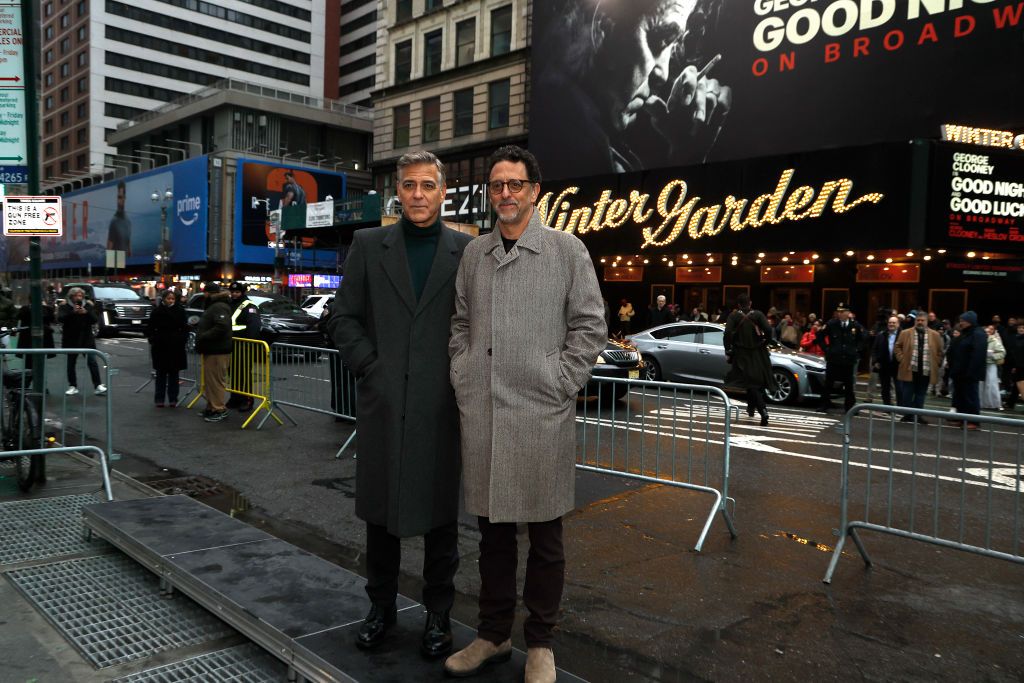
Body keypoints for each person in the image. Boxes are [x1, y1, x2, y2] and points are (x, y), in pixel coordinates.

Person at [445, 145, 606, 683]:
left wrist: (561, 383)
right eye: (497, 185)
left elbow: (589, 328)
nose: (506, 194)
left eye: (515, 184)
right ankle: (492, 635)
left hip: (542, 415)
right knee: (491, 537)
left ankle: (541, 644)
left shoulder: (566, 251)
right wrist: (466, 378)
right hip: (487, 414)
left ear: (535, 191)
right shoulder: (475, 254)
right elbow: (461, 325)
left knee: (545, 538)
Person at [329, 150, 472, 659]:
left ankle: (438, 615)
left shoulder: (465, 250)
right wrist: (372, 368)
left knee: (440, 521)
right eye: (409, 185)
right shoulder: (369, 245)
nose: (417, 194)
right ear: (397, 190)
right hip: (384, 406)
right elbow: (343, 318)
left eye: (427, 185)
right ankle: (381, 608)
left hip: (440, 409)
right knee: (380, 517)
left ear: (443, 190)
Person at [531, 0, 732, 178]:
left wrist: (687, 158)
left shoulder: (602, 146)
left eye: (672, 48)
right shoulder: (569, 142)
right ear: (603, 27)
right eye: (659, 40)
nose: (663, 72)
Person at [723, 294, 776, 426]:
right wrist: (765, 342)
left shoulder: (734, 316)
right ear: (750, 303)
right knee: (754, 381)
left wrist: (728, 349)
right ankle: (751, 408)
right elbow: (769, 329)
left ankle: (762, 410)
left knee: (751, 383)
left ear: (738, 305)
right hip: (758, 353)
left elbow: (727, 332)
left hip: (741, 354)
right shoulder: (757, 314)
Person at [894, 312, 942, 422]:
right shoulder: (905, 333)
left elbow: (940, 351)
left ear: (927, 321)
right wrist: (902, 359)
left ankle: (918, 415)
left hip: (925, 370)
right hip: (909, 369)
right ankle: (908, 414)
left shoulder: (935, 334)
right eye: (918, 320)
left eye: (922, 320)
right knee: (907, 394)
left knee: (920, 395)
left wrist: (936, 362)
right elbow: (897, 347)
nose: (920, 322)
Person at [195, 283, 233, 422]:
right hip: (213, 349)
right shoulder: (216, 305)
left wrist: (204, 335)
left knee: (216, 381)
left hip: (218, 349)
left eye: (205, 292)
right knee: (211, 381)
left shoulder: (218, 306)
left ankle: (219, 409)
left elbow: (222, 326)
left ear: (208, 293)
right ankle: (212, 407)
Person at [816, 303, 864, 413]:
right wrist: (827, 349)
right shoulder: (832, 324)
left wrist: (856, 350)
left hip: (848, 360)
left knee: (848, 385)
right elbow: (820, 336)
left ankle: (850, 407)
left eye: (843, 311)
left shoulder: (854, 325)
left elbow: (863, 338)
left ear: (848, 313)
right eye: (839, 311)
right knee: (828, 383)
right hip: (834, 358)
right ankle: (824, 404)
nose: (840, 313)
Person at [58, 287, 106, 396]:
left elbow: (94, 320)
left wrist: (86, 312)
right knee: (71, 363)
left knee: (92, 362)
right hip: (71, 338)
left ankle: (98, 385)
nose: (78, 298)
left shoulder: (88, 305)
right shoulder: (65, 306)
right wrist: (73, 312)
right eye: (76, 296)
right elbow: (60, 318)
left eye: (80, 296)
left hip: (86, 338)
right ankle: (73, 385)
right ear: (71, 297)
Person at [146, 290, 188, 408]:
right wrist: (153, 339)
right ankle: (159, 399)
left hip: (176, 346)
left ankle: (173, 399)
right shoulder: (157, 311)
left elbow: (184, 327)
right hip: (161, 345)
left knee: (174, 374)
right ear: (164, 299)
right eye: (168, 298)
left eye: (172, 299)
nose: (170, 301)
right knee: (161, 374)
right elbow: (150, 327)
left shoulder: (180, 310)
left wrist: (182, 339)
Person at [946, 311, 987, 429]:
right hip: (959, 372)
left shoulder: (978, 333)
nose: (961, 323)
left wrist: (971, 372)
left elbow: (978, 354)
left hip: (969, 373)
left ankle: (973, 421)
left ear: (970, 321)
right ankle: (961, 418)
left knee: (970, 397)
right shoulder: (965, 333)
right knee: (960, 396)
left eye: (963, 321)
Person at [225, 282, 260, 411]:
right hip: (231, 344)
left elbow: (254, 327)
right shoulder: (228, 304)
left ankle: (247, 400)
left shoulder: (249, 306)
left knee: (244, 374)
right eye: (232, 292)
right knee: (232, 373)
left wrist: (250, 344)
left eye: (237, 292)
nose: (234, 294)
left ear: (242, 292)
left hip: (244, 345)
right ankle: (235, 398)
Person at [871, 316, 900, 406]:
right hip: (884, 365)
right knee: (885, 387)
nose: (891, 324)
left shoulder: (903, 335)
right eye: (890, 323)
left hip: (898, 365)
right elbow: (874, 349)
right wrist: (875, 361)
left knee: (899, 387)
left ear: (898, 324)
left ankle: (901, 406)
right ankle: (886, 405)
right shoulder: (881, 335)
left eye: (893, 323)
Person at [981, 324, 1007, 410]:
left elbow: (1002, 352)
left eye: (988, 332)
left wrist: (992, 355)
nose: (987, 333)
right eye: (985, 332)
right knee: (981, 385)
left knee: (992, 384)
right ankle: (982, 403)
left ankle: (996, 404)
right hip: (981, 365)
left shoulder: (995, 341)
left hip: (991, 365)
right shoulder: (980, 341)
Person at [106, 181, 132, 256]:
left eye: (121, 197)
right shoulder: (114, 222)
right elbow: (109, 250)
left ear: (125, 198)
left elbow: (129, 248)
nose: (119, 201)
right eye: (118, 197)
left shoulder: (128, 221)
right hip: (116, 263)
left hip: (126, 264)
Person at [1008, 322, 1024, 410]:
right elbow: (1014, 354)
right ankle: (1010, 403)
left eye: (1023, 328)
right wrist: (1014, 366)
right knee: (1016, 385)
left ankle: (1010, 402)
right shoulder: (1016, 338)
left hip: (1023, 366)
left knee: (1020, 384)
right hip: (1018, 365)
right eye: (1019, 327)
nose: (1021, 329)